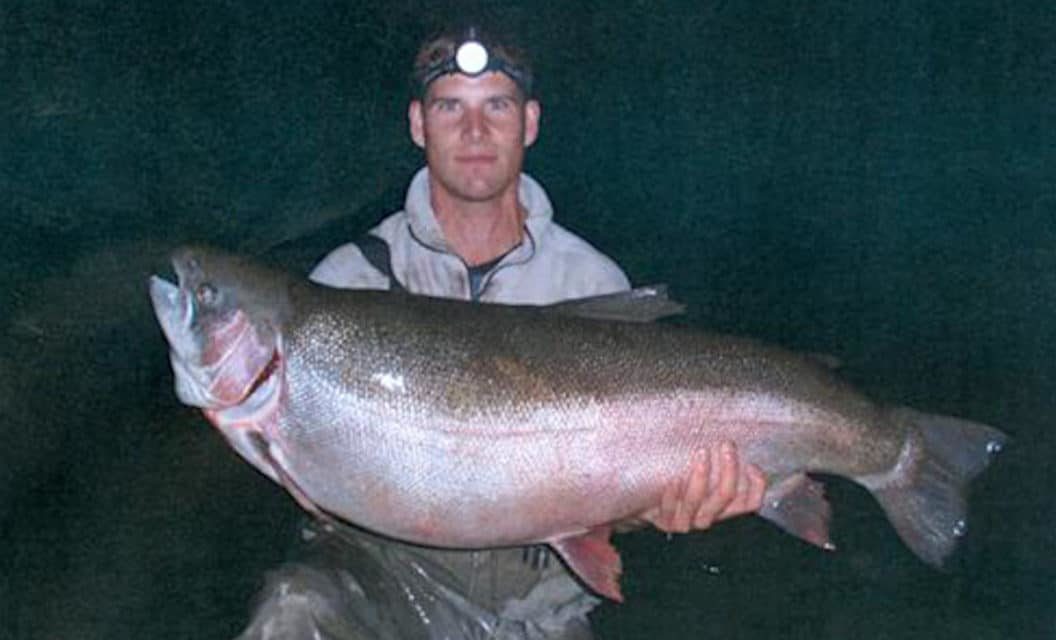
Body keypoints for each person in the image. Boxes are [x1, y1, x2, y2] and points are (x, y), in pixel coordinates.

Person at [238, 24, 765, 640]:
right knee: (293, 611)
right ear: (417, 124)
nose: (475, 131)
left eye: (498, 105)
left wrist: (659, 507)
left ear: (531, 123)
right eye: (450, 107)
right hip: (388, 587)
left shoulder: (591, 282)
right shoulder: (345, 284)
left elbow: (613, 498)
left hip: (541, 609)